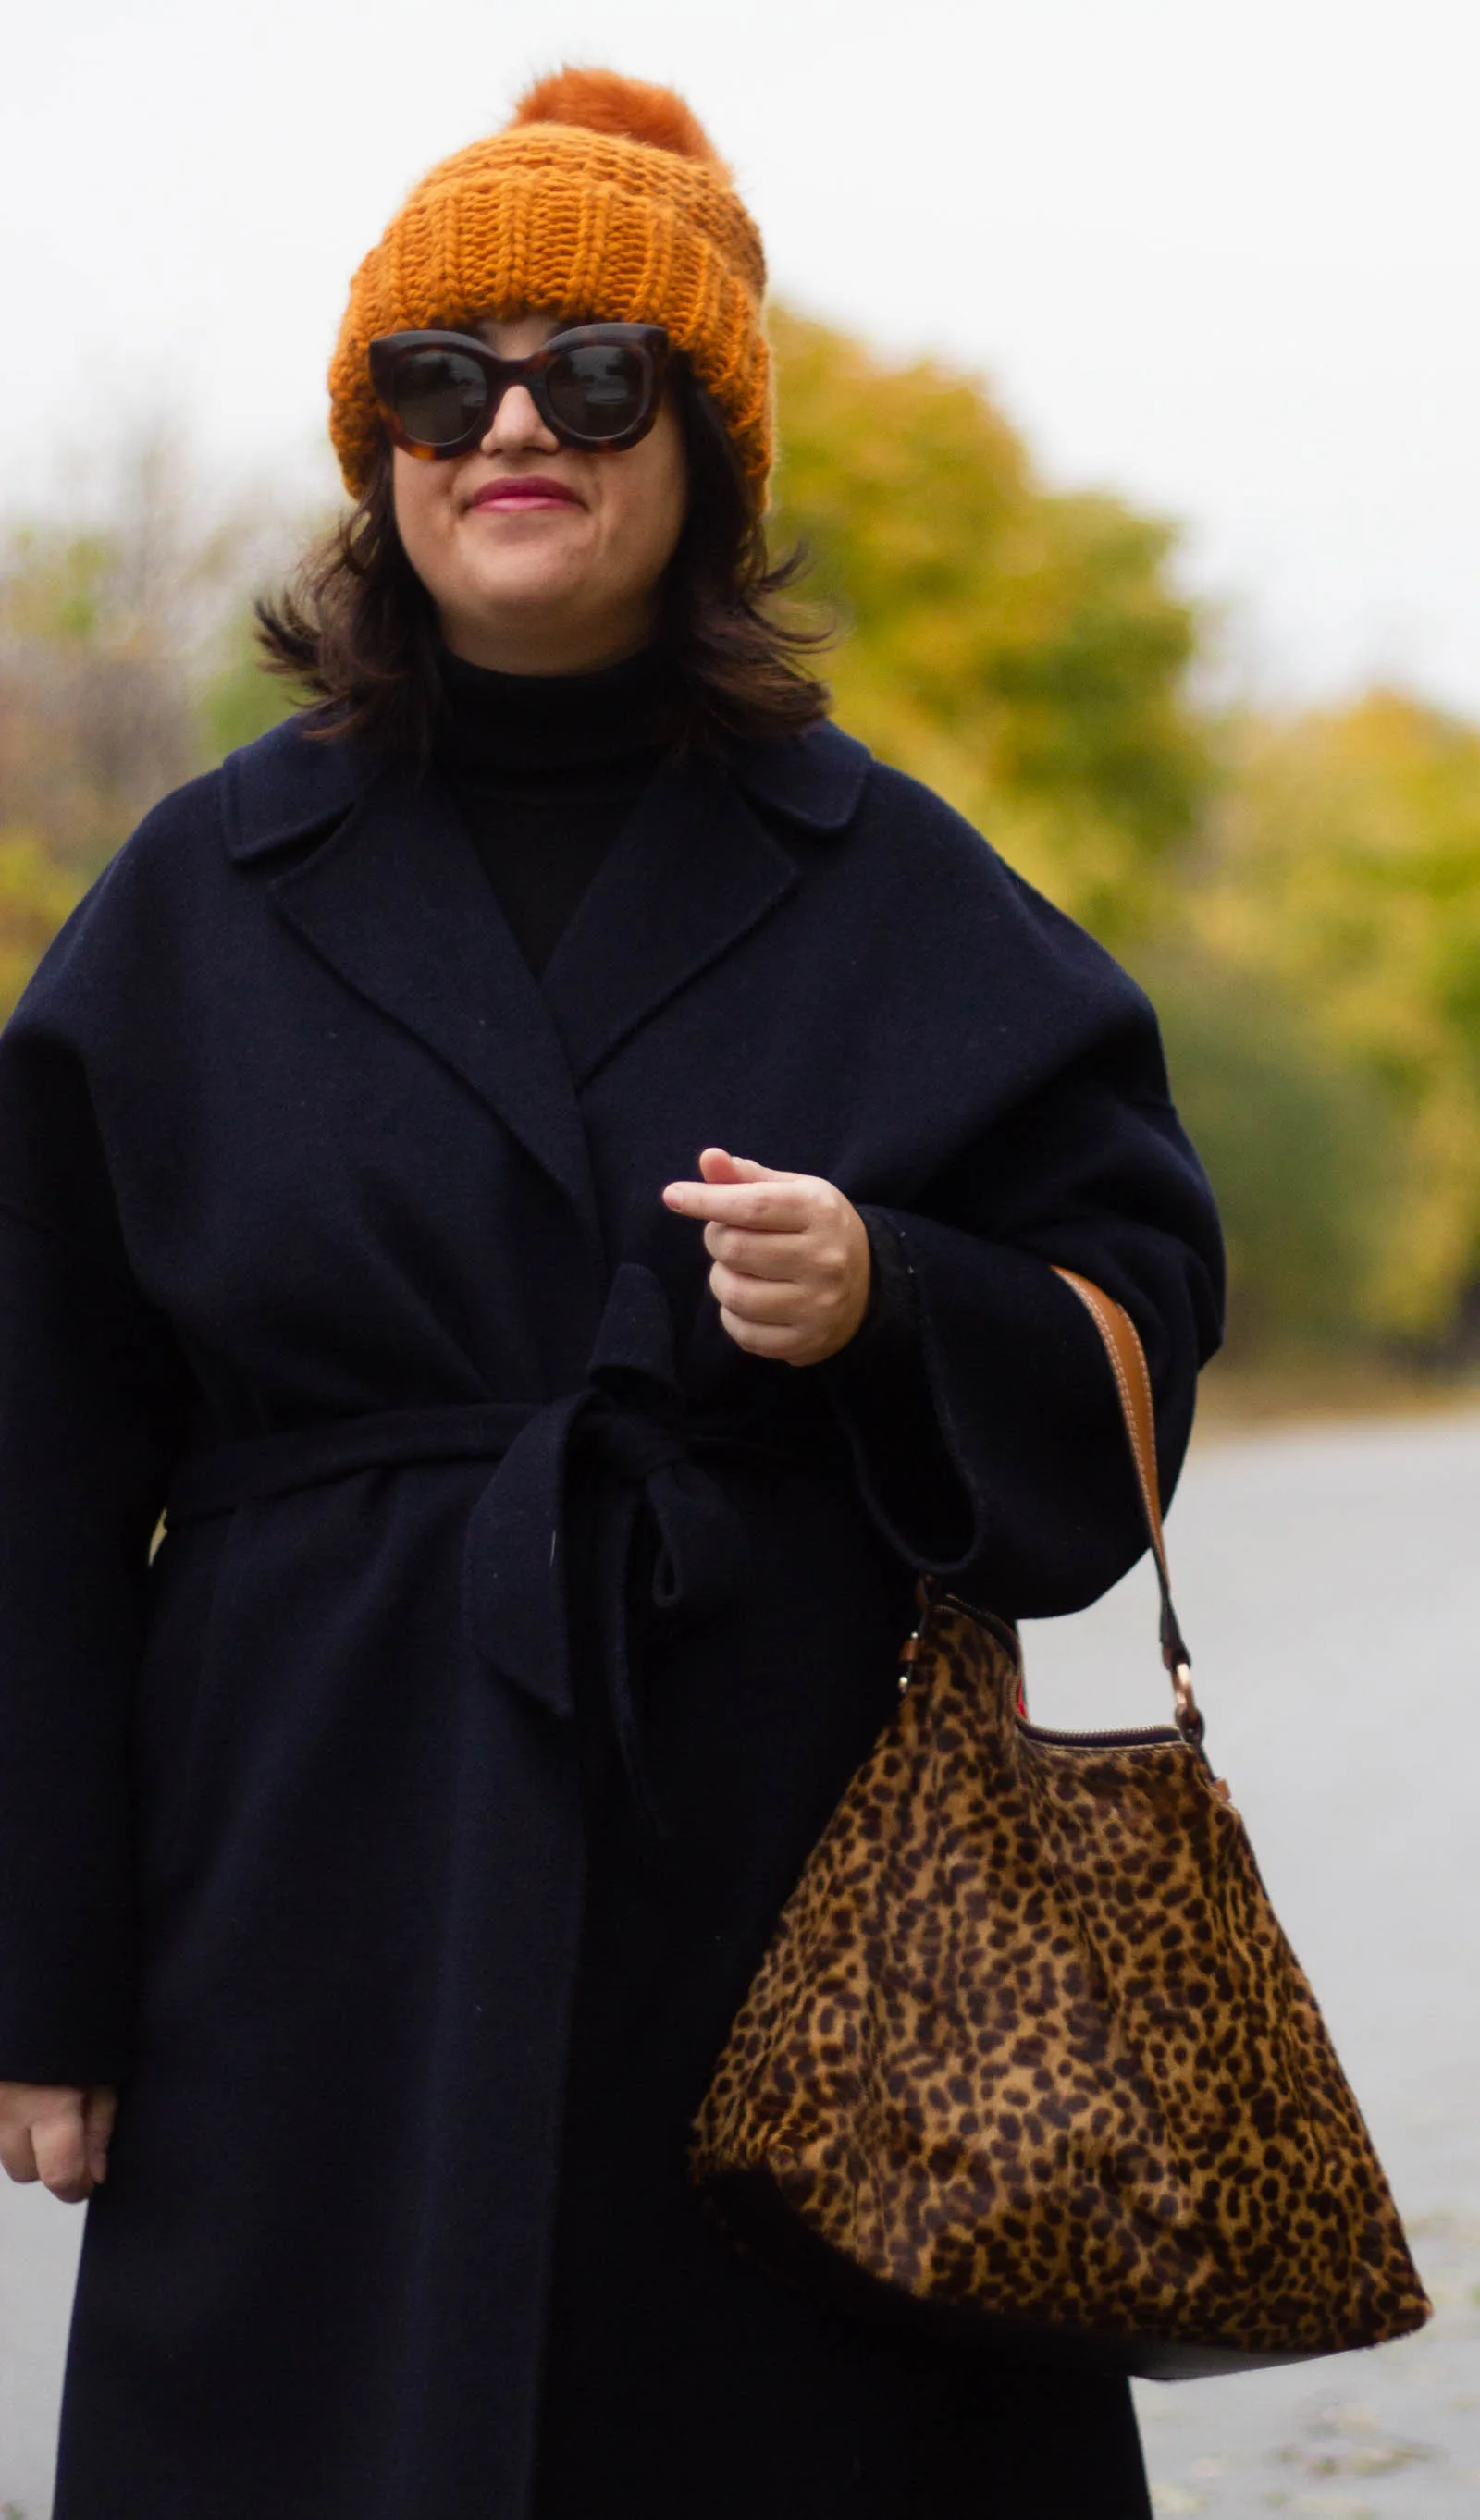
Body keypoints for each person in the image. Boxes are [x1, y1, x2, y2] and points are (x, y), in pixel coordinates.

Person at [0, 67, 1224, 2520]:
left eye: (596, 370)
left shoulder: (897, 879)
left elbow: (1129, 1328)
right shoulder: (193, 898)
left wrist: (895, 1296)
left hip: (798, 1908)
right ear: (382, 450)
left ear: (711, 447)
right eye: (444, 380)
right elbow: (33, 1466)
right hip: (309, 1890)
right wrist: (50, 1982)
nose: (514, 426)